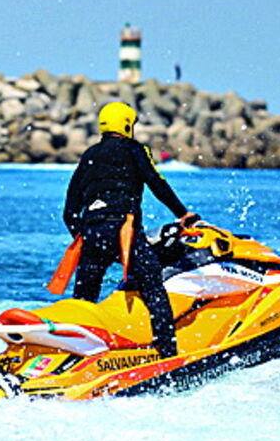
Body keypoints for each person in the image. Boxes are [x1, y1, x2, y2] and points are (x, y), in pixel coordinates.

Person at [63, 102, 199, 358]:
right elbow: (157, 182)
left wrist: (84, 237)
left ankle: (72, 356)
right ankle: (167, 353)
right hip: (124, 231)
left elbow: (69, 212)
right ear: (127, 125)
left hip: (92, 233)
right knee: (153, 287)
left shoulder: (89, 155)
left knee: (82, 300)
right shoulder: (135, 149)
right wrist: (182, 214)